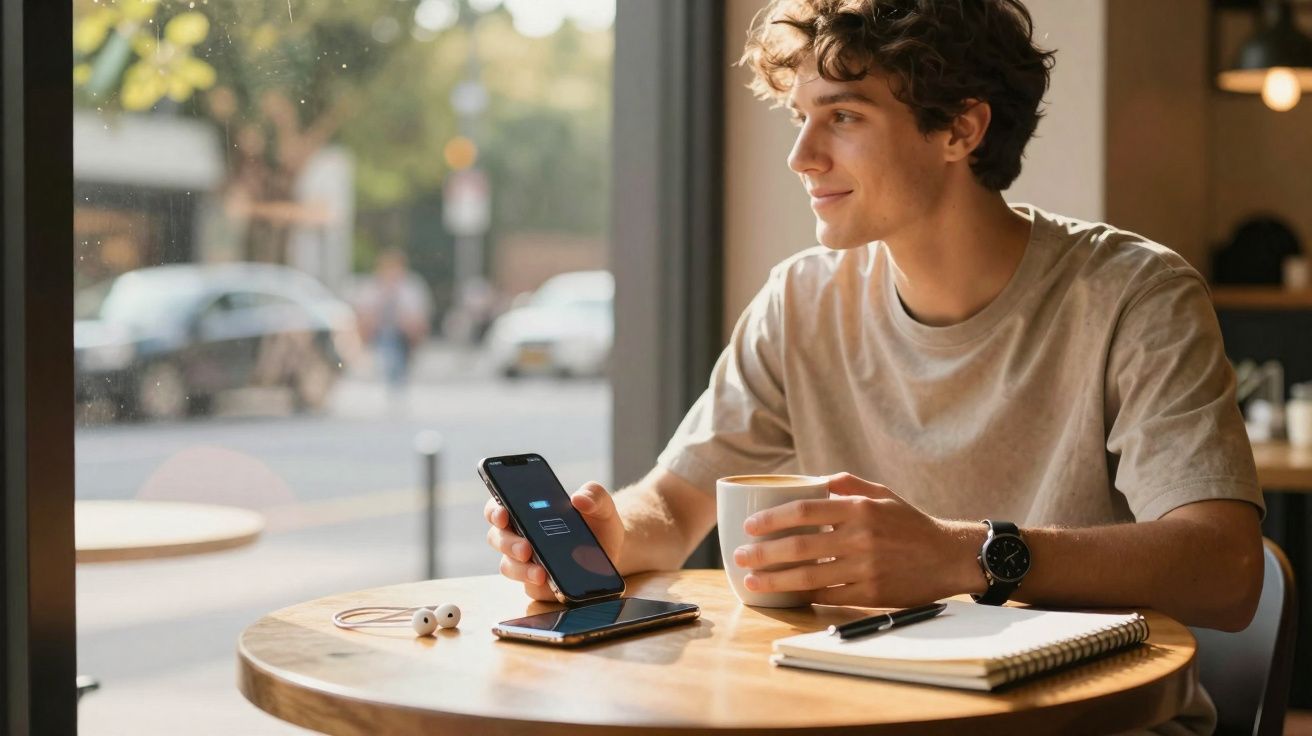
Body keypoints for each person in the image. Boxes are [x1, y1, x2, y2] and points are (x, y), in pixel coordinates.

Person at [485, 2, 1263, 732]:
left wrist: (963, 556)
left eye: (844, 117)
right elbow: (674, 503)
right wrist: (611, 535)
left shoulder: (1134, 294)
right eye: (800, 118)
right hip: (874, 710)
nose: (800, 155)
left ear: (961, 129)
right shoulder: (801, 301)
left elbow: (1227, 570)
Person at [355, 248, 432, 390]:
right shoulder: (371, 287)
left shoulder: (411, 288)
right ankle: (388, 370)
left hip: (403, 334)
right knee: (386, 338)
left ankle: (395, 371)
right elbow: (363, 313)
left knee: (394, 338)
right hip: (377, 332)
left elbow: (418, 316)